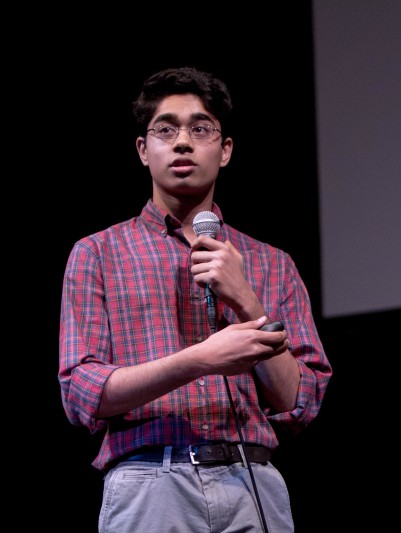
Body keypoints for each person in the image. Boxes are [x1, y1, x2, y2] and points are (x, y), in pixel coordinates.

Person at [58, 66, 332, 533]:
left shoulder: (272, 263)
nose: (183, 142)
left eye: (200, 129)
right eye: (166, 129)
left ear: (224, 150)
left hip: (253, 481)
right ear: (144, 150)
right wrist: (198, 361)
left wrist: (248, 302)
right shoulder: (98, 252)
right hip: (150, 481)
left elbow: (298, 402)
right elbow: (81, 392)